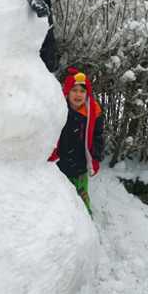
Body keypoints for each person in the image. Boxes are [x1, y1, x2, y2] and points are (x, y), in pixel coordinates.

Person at [48, 68, 105, 217]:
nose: (78, 94)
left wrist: (95, 158)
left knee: (81, 198)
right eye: (74, 90)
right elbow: (52, 133)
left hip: (80, 167)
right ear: (67, 92)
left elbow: (98, 136)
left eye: (82, 91)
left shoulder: (93, 113)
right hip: (61, 163)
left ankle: (85, 221)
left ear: (87, 94)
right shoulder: (60, 110)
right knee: (63, 198)